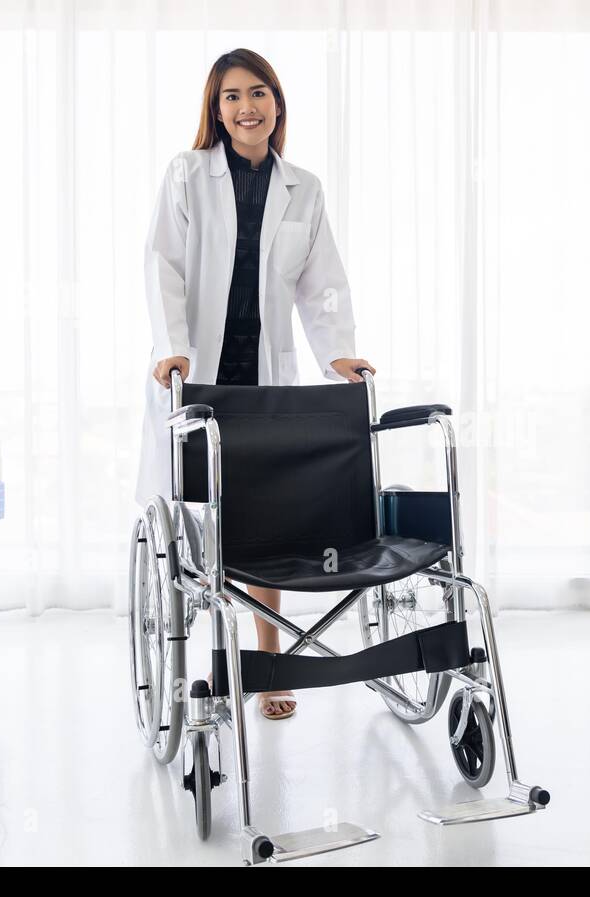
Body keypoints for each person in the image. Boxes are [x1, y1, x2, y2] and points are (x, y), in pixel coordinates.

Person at [138, 48, 375, 719]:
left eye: (259, 92)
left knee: (270, 525)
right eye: (231, 96)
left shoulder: (304, 186)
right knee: (202, 533)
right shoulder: (187, 174)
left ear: (277, 103)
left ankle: (272, 667)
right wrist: (172, 349)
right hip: (200, 379)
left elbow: (321, 284)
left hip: (265, 383)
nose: (247, 107)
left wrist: (340, 357)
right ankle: (198, 665)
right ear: (215, 111)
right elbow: (164, 266)